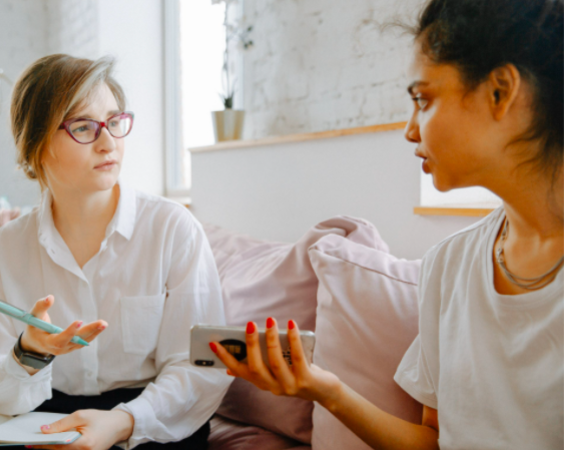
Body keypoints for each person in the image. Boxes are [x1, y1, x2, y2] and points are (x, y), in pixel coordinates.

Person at [211, 0, 563, 448]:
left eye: (423, 99)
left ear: (500, 91)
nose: (411, 130)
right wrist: (323, 388)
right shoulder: (449, 265)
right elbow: (432, 442)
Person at [0, 54, 231, 450]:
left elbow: (200, 369)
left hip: (152, 419)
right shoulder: (7, 248)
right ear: (36, 145)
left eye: (114, 122)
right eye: (83, 127)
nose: (109, 142)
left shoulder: (172, 229)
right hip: (48, 417)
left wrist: (123, 421)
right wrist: (27, 354)